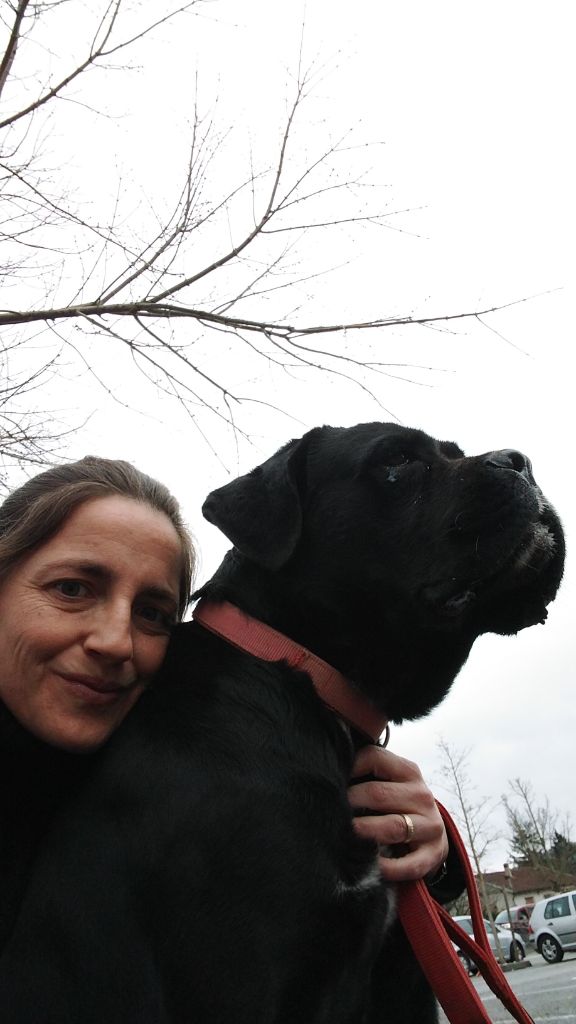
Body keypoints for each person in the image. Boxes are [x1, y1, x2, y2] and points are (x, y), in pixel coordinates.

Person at [0, 455, 454, 953]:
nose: (116, 642)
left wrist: (418, 853)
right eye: (72, 589)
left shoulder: (173, 777)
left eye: (152, 614)